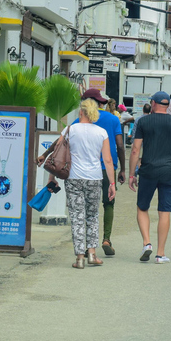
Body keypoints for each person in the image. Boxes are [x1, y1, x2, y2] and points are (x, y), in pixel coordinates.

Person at [37, 88, 125, 256]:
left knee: (79, 212)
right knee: (105, 205)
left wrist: (45, 154)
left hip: (78, 173)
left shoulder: (79, 121)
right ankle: (105, 240)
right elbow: (120, 146)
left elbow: (60, 143)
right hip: (105, 170)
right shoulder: (112, 120)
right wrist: (122, 169)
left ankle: (81, 253)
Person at [52, 99, 116, 268]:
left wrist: (53, 178)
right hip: (94, 178)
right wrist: (112, 184)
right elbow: (108, 160)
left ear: (81, 112)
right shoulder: (101, 132)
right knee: (92, 216)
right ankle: (92, 254)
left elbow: (57, 154)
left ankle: (80, 258)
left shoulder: (69, 130)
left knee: (77, 217)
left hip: (73, 178)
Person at [128, 91, 171, 264]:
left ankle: (147, 243)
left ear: (153, 104)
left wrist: (132, 174)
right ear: (168, 105)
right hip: (169, 172)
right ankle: (160, 254)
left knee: (142, 208)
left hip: (148, 171)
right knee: (164, 212)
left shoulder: (144, 121)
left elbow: (135, 150)